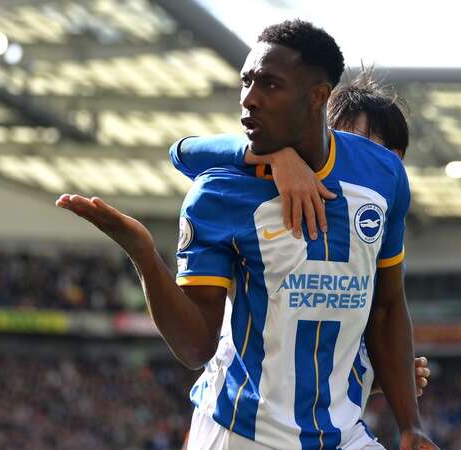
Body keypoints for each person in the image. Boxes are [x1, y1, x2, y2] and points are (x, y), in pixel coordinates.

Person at [57, 20, 438, 450]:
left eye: (270, 85)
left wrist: (411, 423)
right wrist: (144, 253)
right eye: (246, 82)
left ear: (317, 96)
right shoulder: (220, 192)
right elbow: (196, 346)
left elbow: (387, 308)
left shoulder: (382, 176)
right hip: (242, 432)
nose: (249, 99)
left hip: (340, 433)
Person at [172, 69, 431, 409]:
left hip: (312, 422)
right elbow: (183, 152)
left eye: (391, 158)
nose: (375, 166)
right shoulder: (263, 191)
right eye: (359, 144)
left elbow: (326, 350)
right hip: (237, 409)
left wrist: (377, 377)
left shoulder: (372, 225)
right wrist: (273, 155)